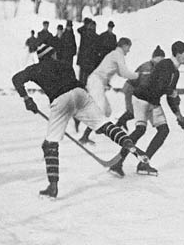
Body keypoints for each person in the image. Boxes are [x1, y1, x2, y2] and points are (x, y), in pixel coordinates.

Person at [11, 41, 147, 199]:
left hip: (60, 99)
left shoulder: (36, 68)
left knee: (50, 145)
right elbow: (70, 90)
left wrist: (27, 99)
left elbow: (16, 79)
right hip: (80, 93)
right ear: (53, 54)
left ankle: (52, 187)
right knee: (104, 124)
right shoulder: (64, 64)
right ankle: (127, 142)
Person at [109, 40, 184, 177]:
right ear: (177, 54)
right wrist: (171, 92)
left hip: (153, 101)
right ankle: (118, 163)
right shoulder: (165, 64)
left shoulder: (175, 73)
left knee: (163, 130)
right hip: (141, 98)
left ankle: (143, 163)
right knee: (140, 129)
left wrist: (178, 115)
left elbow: (170, 96)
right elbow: (160, 86)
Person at [79, 37, 139, 144]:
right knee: (100, 110)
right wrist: (138, 75)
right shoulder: (117, 54)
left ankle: (96, 129)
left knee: (107, 111)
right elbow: (124, 73)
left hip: (98, 82)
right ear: (124, 46)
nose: (128, 51)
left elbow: (121, 73)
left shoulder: (115, 54)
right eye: (128, 48)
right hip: (96, 81)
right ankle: (85, 136)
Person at [116, 45, 165, 129]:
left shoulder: (154, 67)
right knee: (134, 112)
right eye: (160, 58)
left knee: (134, 112)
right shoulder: (148, 67)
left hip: (134, 89)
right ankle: (116, 127)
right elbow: (144, 84)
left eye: (163, 59)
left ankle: (120, 123)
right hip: (130, 89)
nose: (161, 61)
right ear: (154, 58)